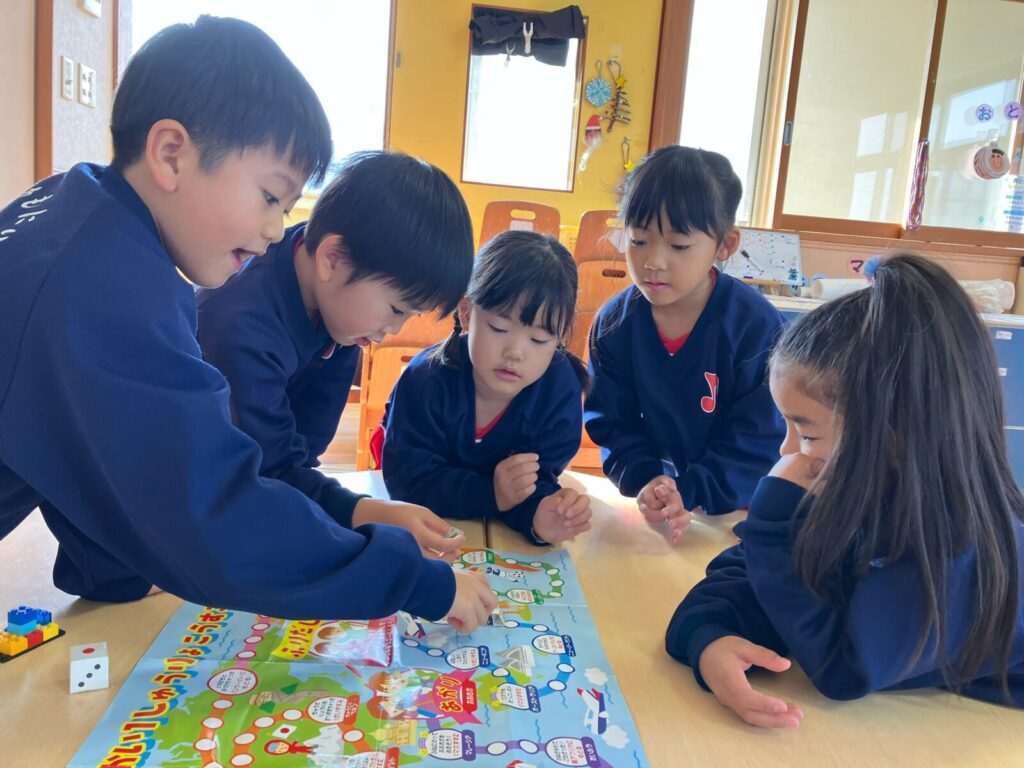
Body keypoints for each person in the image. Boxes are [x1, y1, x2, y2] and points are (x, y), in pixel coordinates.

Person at [0, 16, 495, 630]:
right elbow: (215, 510)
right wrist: (413, 579)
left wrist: (117, 577)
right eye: (269, 197)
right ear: (171, 154)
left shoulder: (78, 218)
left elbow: (91, 453)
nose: (274, 231)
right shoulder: (105, 284)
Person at [666, 254, 1024, 727]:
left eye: (806, 433)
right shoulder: (857, 490)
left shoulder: (956, 543)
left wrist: (774, 525)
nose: (787, 451)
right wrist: (709, 636)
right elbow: (749, 571)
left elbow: (845, 670)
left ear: (895, 438)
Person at [197, 150, 474, 559]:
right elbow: (265, 473)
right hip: (188, 513)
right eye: (396, 309)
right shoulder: (240, 324)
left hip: (247, 501)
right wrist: (365, 512)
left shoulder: (340, 312)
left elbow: (301, 457)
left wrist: (358, 512)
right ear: (332, 258)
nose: (393, 330)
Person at [585, 146, 785, 543]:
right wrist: (646, 478)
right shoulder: (614, 326)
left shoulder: (756, 328)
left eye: (678, 246)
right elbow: (613, 423)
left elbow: (760, 438)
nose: (654, 262)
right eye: (639, 240)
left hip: (740, 508)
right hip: (661, 505)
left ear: (725, 245)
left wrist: (693, 489)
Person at [380, 231, 592, 544]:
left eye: (539, 339)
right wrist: (490, 493)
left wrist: (538, 518)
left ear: (558, 338)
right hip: (432, 524)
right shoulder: (424, 381)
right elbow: (408, 483)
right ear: (466, 314)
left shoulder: (559, 392)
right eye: (499, 328)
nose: (515, 352)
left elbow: (536, 483)